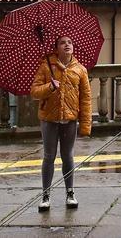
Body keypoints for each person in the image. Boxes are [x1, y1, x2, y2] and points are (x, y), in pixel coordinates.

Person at [29, 35, 92, 211]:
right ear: (56, 47)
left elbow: (85, 99)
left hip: (70, 120)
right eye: (63, 43)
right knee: (49, 156)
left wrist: (85, 125)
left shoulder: (80, 70)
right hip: (49, 120)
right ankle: (46, 195)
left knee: (68, 156)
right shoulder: (46, 66)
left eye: (70, 42)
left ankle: (70, 193)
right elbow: (34, 92)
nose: (67, 45)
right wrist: (49, 87)